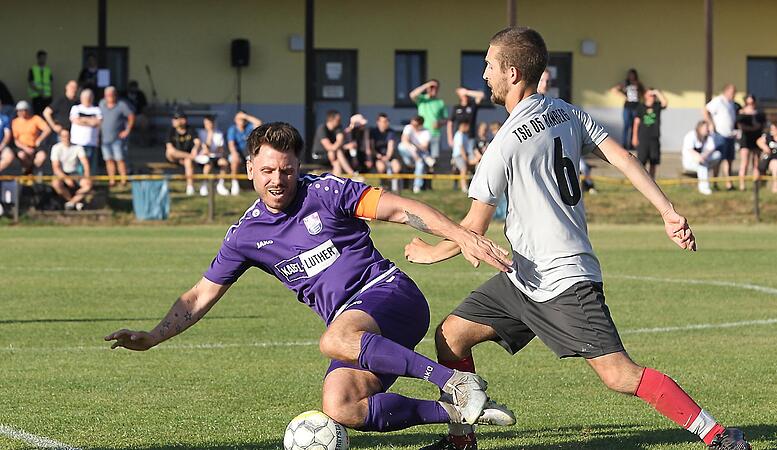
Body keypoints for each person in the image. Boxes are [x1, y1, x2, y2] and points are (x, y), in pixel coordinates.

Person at [406, 26, 751, 450]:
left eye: (489, 66)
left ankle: (718, 435)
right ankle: (462, 442)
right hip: (524, 275)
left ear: (512, 74)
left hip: (565, 280)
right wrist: (668, 211)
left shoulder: (502, 146)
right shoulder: (567, 112)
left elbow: (472, 229)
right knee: (452, 335)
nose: (484, 76)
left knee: (620, 374)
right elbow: (622, 157)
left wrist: (429, 252)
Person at [105, 121, 516, 434]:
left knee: (333, 339)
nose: (277, 180)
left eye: (286, 170)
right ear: (249, 169)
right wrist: (154, 336)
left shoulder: (327, 192)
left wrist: (461, 235)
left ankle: (455, 382)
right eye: (267, 170)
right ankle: (455, 409)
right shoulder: (245, 236)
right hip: (357, 329)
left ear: (298, 166)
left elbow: (399, 208)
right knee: (342, 406)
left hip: (390, 295)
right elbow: (199, 296)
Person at [99, 86, 135, 187]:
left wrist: (127, 130)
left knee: (120, 159)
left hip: (117, 139)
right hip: (105, 139)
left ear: (115, 95)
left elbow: (131, 116)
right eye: (107, 95)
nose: (109, 97)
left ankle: (123, 180)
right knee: (108, 160)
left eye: (111, 95)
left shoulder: (122, 105)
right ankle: (112, 180)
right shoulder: (101, 104)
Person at [704, 84, 738, 190]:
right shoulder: (718, 101)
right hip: (720, 134)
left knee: (729, 159)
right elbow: (705, 110)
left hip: (730, 135)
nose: (734, 95)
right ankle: (715, 182)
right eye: (732, 92)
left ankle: (728, 183)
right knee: (718, 159)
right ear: (726, 91)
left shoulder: (731, 103)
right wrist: (710, 123)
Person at [50, 129, 92, 210]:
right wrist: (66, 178)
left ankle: (71, 203)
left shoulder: (78, 147)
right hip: (61, 173)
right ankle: (75, 202)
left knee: (87, 185)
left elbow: (85, 163)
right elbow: (56, 168)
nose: (66, 138)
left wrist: (87, 176)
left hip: (74, 173)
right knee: (56, 184)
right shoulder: (56, 148)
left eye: (68, 136)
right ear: (60, 137)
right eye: (64, 136)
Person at [632, 88, 668, 178]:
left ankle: (652, 182)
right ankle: (641, 181)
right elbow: (636, 123)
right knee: (641, 162)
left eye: (653, 96)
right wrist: (634, 137)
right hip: (643, 138)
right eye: (650, 95)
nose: (652, 97)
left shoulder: (657, 106)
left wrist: (657, 92)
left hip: (654, 138)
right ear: (645, 96)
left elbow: (665, 103)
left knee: (653, 161)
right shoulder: (640, 107)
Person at [410, 80, 448, 162]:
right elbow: (412, 95)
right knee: (422, 157)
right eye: (432, 87)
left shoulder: (440, 102)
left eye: (436, 88)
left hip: (435, 134)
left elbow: (446, 119)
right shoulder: (422, 99)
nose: (434, 90)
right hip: (422, 133)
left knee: (434, 159)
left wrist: (440, 123)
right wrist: (426, 85)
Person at [226, 110, 262, 195]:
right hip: (237, 152)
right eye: (239, 119)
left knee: (257, 161)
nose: (241, 121)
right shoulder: (232, 129)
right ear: (235, 120)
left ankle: (256, 184)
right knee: (234, 160)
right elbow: (231, 144)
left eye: (242, 119)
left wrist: (245, 116)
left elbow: (259, 123)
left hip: (248, 152)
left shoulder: (249, 127)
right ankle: (234, 183)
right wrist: (234, 153)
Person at [682, 121, 723, 195]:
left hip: (704, 160)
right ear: (700, 128)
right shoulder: (691, 135)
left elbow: (711, 149)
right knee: (702, 166)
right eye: (705, 128)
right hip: (690, 161)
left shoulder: (708, 136)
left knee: (717, 155)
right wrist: (699, 158)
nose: (707, 130)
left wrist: (703, 157)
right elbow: (690, 150)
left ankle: (706, 184)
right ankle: (704, 189)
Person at [165, 110, 201, 195]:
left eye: (176, 119)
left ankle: (190, 187)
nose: (174, 121)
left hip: (187, 158)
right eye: (174, 119)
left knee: (188, 161)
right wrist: (190, 156)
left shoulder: (190, 129)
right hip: (175, 158)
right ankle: (189, 157)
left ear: (183, 120)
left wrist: (195, 148)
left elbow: (197, 142)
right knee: (170, 152)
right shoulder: (171, 130)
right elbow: (170, 149)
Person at [310, 110, 354, 177]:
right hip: (319, 155)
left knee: (337, 161)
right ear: (331, 119)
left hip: (332, 155)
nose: (340, 121)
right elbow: (329, 147)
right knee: (336, 153)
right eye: (338, 119)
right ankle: (352, 174)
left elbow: (338, 143)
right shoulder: (322, 129)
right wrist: (342, 145)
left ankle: (336, 182)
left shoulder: (338, 128)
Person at [11, 101, 51, 175]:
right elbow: (16, 140)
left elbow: (47, 129)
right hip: (23, 146)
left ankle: (35, 170)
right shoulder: (15, 122)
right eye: (19, 111)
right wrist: (25, 148)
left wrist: (40, 139)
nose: (20, 113)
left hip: (35, 145)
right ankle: (29, 170)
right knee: (22, 155)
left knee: (41, 156)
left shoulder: (35, 119)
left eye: (22, 110)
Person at [735, 94, 765, 191]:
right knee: (744, 163)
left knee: (756, 163)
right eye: (748, 103)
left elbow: (761, 125)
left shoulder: (759, 113)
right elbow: (739, 125)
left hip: (756, 139)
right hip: (745, 139)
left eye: (752, 103)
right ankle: (742, 185)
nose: (750, 105)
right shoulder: (741, 113)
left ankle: (756, 184)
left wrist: (754, 118)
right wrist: (745, 114)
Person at [69, 89, 102, 175]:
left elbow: (97, 122)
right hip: (77, 142)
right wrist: (90, 121)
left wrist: (83, 119)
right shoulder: (76, 108)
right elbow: (76, 121)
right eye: (85, 97)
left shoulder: (96, 109)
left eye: (89, 97)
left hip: (92, 142)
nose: (87, 99)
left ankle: (90, 183)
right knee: (79, 166)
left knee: (91, 166)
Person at [398, 115, 433, 194]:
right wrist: (414, 151)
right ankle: (410, 163)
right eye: (412, 124)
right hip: (411, 152)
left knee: (420, 163)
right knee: (401, 147)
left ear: (420, 125)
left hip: (420, 153)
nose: (412, 126)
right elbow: (404, 140)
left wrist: (415, 147)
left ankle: (417, 186)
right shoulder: (408, 127)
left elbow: (424, 147)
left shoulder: (426, 132)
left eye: (415, 125)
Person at [197, 115, 230, 196]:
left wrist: (213, 150)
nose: (209, 125)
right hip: (203, 158)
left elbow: (221, 148)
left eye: (211, 123)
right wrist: (210, 134)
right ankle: (204, 184)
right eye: (207, 123)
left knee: (224, 163)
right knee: (208, 165)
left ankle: (220, 185)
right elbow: (205, 148)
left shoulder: (219, 133)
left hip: (216, 156)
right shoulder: (200, 133)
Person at [612, 69, 644, 149]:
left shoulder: (638, 83)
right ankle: (624, 144)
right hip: (627, 107)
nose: (631, 76)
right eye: (630, 75)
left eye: (632, 75)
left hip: (636, 106)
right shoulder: (625, 83)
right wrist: (623, 95)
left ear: (635, 75)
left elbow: (643, 93)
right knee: (626, 125)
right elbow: (614, 90)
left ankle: (632, 144)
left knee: (634, 126)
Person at [368, 113, 400, 190]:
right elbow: (372, 148)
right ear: (378, 122)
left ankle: (394, 187)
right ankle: (384, 184)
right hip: (378, 156)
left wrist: (387, 157)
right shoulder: (373, 132)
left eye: (387, 121)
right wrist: (377, 155)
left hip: (389, 156)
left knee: (397, 167)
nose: (386, 123)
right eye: (384, 121)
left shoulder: (391, 132)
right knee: (381, 167)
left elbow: (390, 147)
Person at [447, 87, 485, 153]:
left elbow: (482, 95)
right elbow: (450, 123)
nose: (465, 97)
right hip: (459, 137)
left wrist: (467, 92)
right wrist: (450, 139)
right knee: (459, 156)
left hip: (471, 136)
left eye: (466, 95)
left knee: (471, 155)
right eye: (463, 95)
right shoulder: (456, 108)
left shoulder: (472, 105)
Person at [28, 50, 53, 116]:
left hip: (47, 97)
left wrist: (48, 94)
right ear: (38, 58)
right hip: (37, 97)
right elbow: (31, 83)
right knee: (37, 115)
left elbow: (50, 83)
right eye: (42, 58)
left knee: (47, 114)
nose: (43, 60)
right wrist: (40, 92)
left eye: (44, 58)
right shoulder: (33, 69)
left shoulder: (48, 70)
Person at [451, 120, 470, 193]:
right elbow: (461, 147)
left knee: (465, 170)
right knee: (463, 170)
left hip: (462, 155)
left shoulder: (464, 135)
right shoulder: (459, 135)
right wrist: (465, 157)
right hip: (459, 156)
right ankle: (464, 187)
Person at [0, 101, 12, 174]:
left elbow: (7, 135)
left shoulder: (5, 118)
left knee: (9, 157)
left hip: (1, 145)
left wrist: (2, 145)